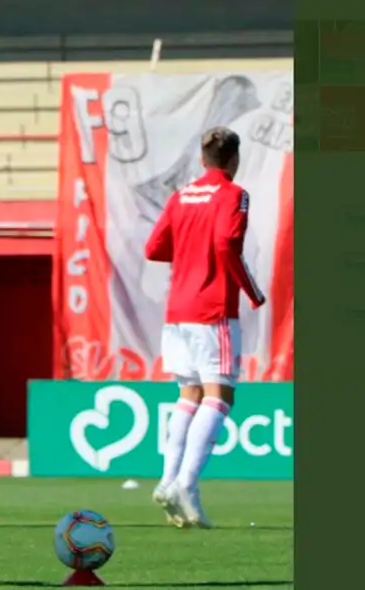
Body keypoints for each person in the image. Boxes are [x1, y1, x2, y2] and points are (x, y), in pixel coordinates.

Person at [144, 127, 266, 529]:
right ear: (233, 160)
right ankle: (187, 484)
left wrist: (188, 252)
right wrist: (251, 290)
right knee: (220, 396)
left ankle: (167, 481)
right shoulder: (235, 195)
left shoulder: (181, 197)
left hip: (177, 309)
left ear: (202, 159)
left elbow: (153, 248)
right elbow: (227, 244)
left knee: (188, 395)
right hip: (213, 309)